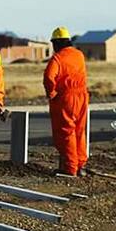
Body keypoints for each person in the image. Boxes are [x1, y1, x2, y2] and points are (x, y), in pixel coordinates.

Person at [44, 27, 89, 177]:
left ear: (56, 43)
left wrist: (52, 94)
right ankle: (80, 165)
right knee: (79, 131)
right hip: (82, 96)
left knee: (66, 132)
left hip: (66, 98)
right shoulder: (79, 55)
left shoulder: (57, 58)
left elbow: (49, 78)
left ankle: (70, 168)